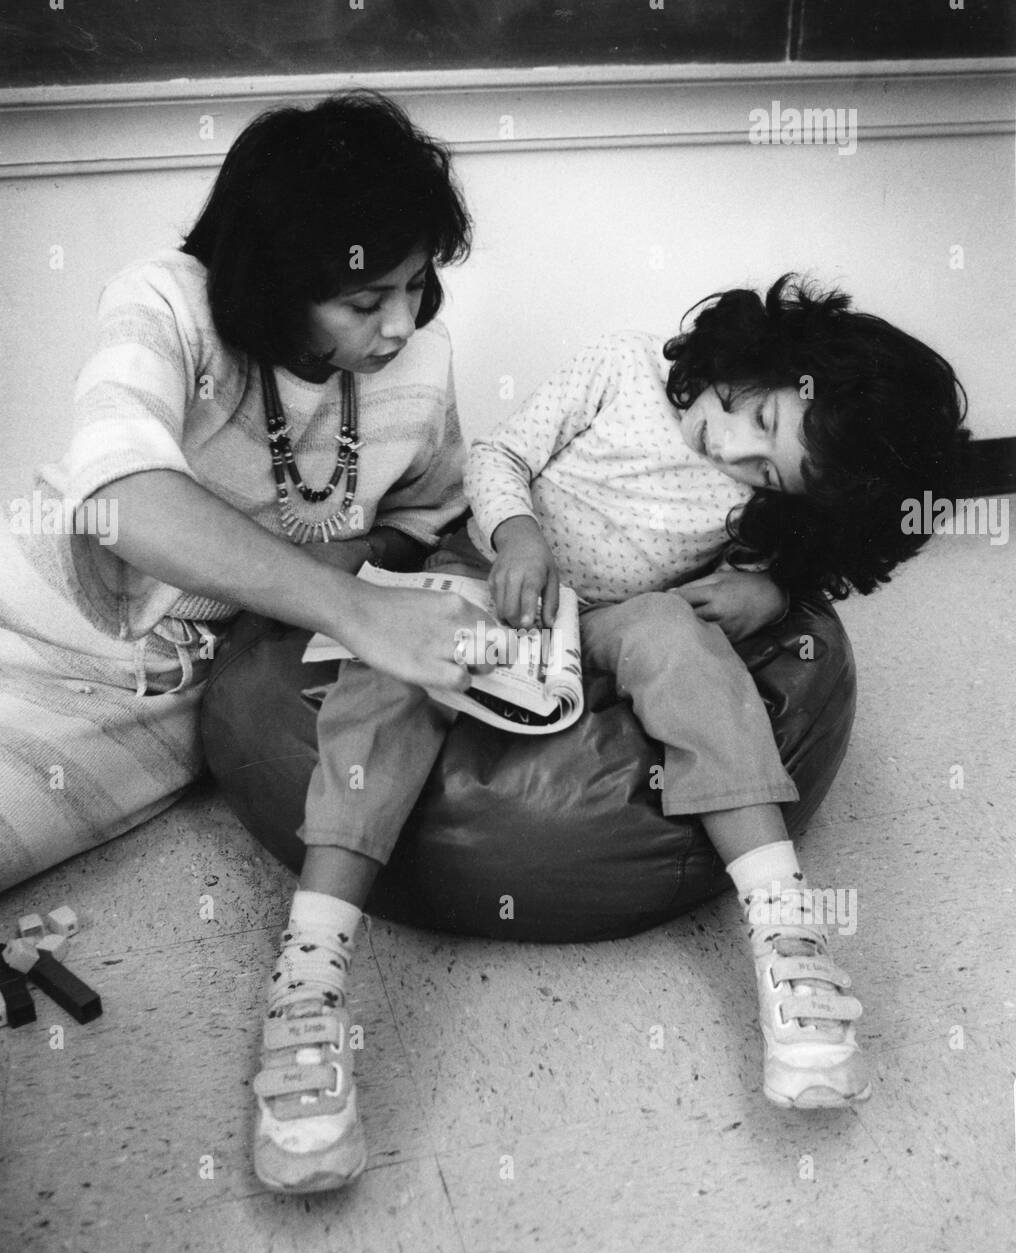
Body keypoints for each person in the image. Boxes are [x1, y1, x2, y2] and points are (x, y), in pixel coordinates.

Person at [262, 275, 967, 1193]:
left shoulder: (768, 496)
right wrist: (520, 540)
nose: (736, 448)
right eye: (753, 414)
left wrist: (774, 590)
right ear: (770, 357)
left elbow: (792, 561)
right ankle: (309, 980)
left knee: (689, 648)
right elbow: (499, 457)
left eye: (767, 472)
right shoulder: (624, 367)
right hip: (493, 580)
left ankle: (788, 942)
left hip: (616, 621)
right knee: (390, 678)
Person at [0, 91, 492, 892]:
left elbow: (426, 510)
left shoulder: (421, 359)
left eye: (417, 284)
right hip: (32, 621)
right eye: (366, 302)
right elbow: (118, 496)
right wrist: (360, 610)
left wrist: (365, 552)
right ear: (275, 282)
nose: (401, 325)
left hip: (170, 699)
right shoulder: (166, 300)